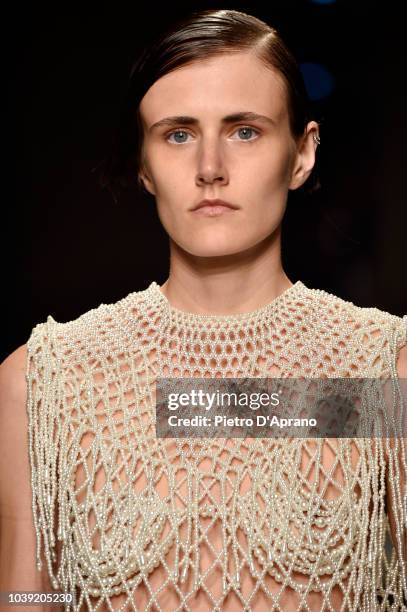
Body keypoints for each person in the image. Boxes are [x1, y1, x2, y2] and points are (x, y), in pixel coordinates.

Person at [0, 8, 406, 611]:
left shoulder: (381, 374)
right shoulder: (45, 379)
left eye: (245, 131)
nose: (210, 169)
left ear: (302, 153)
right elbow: (26, 599)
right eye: (178, 134)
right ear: (143, 164)